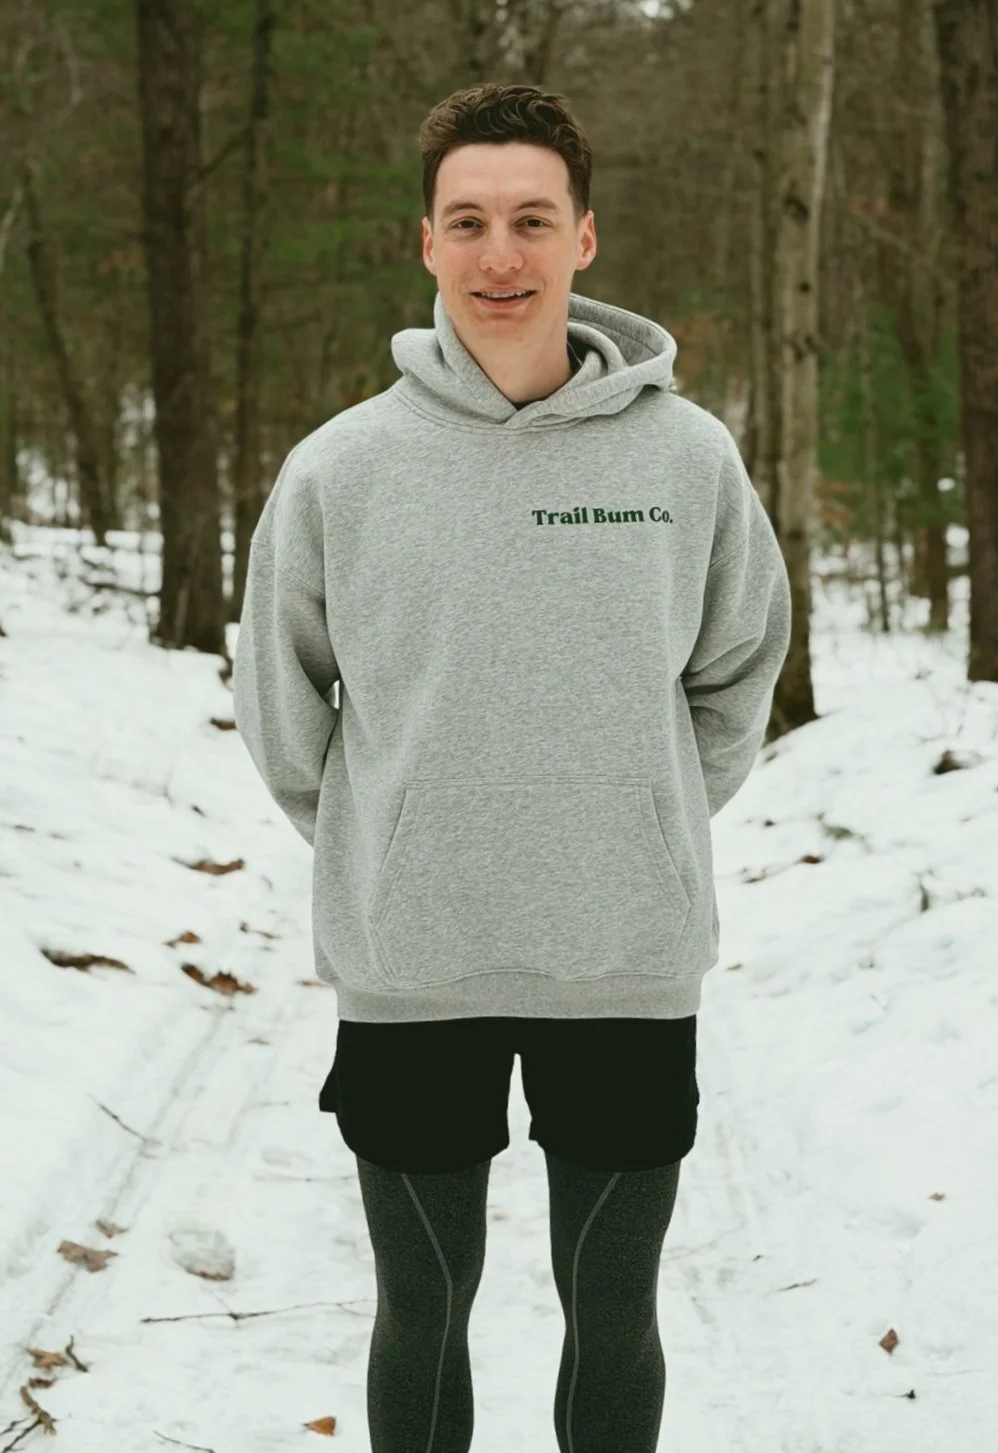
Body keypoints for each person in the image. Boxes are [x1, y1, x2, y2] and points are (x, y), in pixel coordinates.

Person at [232, 82, 792, 1453]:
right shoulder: (340, 472)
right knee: (419, 1310)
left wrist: (643, 816)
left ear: (585, 240)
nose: (502, 255)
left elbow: (737, 675)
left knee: (615, 1312)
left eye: (532, 220)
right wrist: (389, 829)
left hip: (626, 960)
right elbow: (283, 705)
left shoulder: (686, 460)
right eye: (470, 220)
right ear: (424, 241)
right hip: (414, 962)